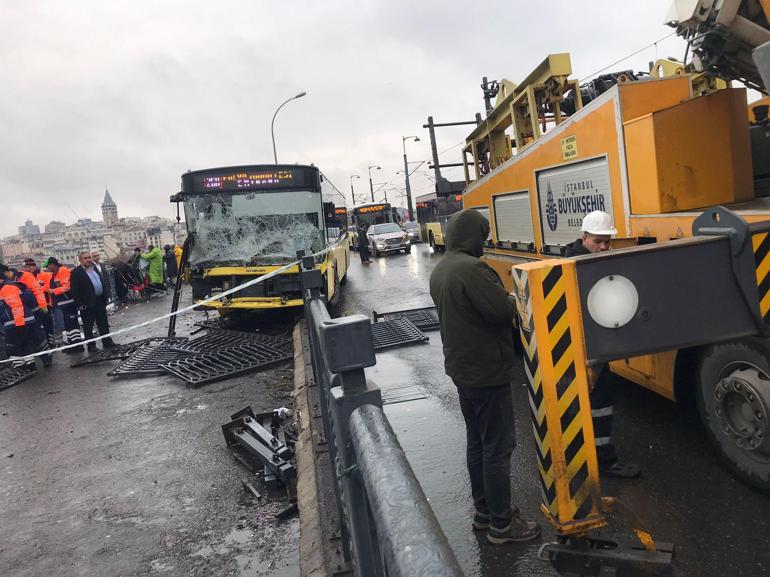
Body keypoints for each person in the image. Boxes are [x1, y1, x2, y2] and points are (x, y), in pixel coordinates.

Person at [430, 209, 541, 545]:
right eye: (484, 233)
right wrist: (513, 298)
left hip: (463, 371)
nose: (487, 240)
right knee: (498, 447)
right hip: (486, 371)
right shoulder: (472, 269)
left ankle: (484, 515)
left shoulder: (442, 268)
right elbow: (503, 311)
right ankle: (503, 525)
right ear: (471, 236)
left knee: (477, 443)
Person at [564, 210, 641, 479]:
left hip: (592, 349)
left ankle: (587, 461)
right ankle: (603, 462)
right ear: (584, 237)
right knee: (598, 405)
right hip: (587, 352)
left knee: (592, 405)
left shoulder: (584, 262)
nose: (605, 247)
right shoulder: (575, 267)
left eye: (608, 242)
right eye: (599, 241)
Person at [3, 263, 53, 365]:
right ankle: (33, 360)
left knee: (36, 336)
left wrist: (43, 305)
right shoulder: (9, 283)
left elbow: (37, 290)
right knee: (29, 338)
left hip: (32, 310)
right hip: (24, 313)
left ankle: (46, 358)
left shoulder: (25, 276)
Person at [70, 251, 117, 352]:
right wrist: (79, 304)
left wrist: (106, 295)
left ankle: (107, 342)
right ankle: (91, 346)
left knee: (103, 322)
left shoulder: (93, 268)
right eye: (85, 258)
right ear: (80, 260)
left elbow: (101, 281)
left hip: (100, 300)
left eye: (89, 257)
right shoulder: (76, 272)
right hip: (87, 303)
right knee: (88, 325)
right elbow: (74, 290)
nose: (88, 260)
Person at [0, 272, 40, 369]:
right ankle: (30, 365)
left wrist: (20, 324)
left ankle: (20, 368)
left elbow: (16, 306)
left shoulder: (7, 288)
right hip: (22, 321)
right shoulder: (11, 286)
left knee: (12, 346)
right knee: (25, 344)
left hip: (16, 322)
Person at [45, 257, 84, 352]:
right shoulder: (55, 274)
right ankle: (72, 344)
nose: (47, 268)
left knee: (72, 323)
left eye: (48, 266)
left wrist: (53, 291)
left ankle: (77, 344)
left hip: (68, 302)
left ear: (52, 264)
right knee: (67, 324)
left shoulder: (63, 271)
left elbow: (67, 287)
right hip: (62, 303)